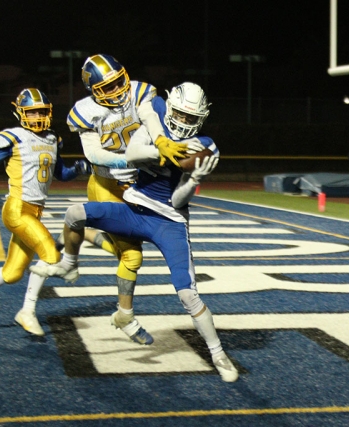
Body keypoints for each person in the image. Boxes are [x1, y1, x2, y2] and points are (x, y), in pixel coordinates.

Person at [31, 82, 239, 382]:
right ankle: (69, 262)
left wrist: (193, 179)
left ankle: (218, 353)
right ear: (169, 108)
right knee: (74, 213)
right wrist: (164, 150)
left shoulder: (204, 146)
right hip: (134, 208)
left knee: (188, 294)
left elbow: (179, 201)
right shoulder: (154, 119)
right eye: (179, 114)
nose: (182, 123)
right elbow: (132, 154)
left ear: (201, 118)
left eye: (190, 119)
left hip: (169, 221)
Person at [55, 53, 194, 344]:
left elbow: (149, 117)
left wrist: (160, 141)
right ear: (93, 92)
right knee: (132, 256)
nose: (116, 91)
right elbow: (94, 155)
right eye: (106, 88)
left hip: (134, 186)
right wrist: (133, 160)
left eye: (118, 82)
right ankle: (125, 316)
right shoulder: (85, 111)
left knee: (128, 251)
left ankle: (84, 239)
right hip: (106, 183)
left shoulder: (140, 92)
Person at [0, 88, 90, 336]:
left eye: (41, 112)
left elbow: (61, 174)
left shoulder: (53, 139)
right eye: (32, 112)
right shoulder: (12, 137)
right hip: (17, 209)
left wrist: (79, 167)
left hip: (34, 212)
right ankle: (27, 311)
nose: (37, 117)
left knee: (12, 274)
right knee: (51, 255)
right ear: (21, 113)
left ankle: (26, 311)